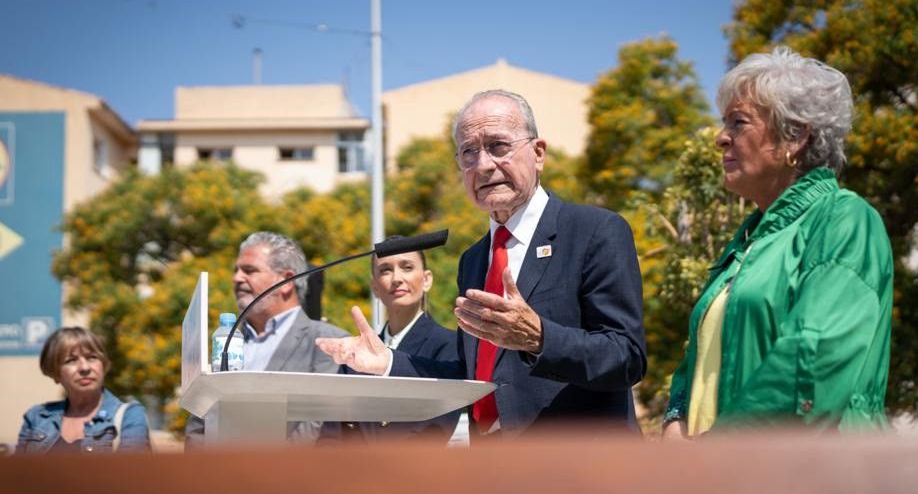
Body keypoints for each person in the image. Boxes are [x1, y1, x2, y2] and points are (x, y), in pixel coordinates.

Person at [317, 89, 647, 439]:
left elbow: (625, 356)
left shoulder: (594, 231)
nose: (484, 165)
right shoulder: (474, 260)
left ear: (538, 154)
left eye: (498, 146)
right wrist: (388, 363)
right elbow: (472, 374)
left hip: (580, 467)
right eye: (469, 153)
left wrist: (539, 338)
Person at [662, 46, 893, 440]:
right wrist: (674, 420)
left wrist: (711, 456)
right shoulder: (748, 240)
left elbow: (814, 359)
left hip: (807, 487)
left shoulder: (843, 219)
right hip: (718, 487)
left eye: (738, 123)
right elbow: (698, 360)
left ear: (796, 135)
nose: (721, 138)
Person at [185, 231, 346, 447]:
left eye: (249, 270)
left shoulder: (329, 342)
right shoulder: (225, 342)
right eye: (236, 270)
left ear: (287, 281)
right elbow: (199, 422)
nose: (237, 278)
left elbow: (319, 426)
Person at [322, 241, 462, 445]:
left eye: (407, 267)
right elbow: (331, 437)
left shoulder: (449, 346)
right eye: (385, 270)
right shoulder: (356, 354)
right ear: (375, 287)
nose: (397, 278)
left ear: (426, 279)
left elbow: (436, 430)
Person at [17, 327, 150, 453]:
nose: (84, 368)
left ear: (103, 365)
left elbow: (129, 473)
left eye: (92, 357)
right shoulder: (37, 417)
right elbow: (18, 473)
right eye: (71, 360)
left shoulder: (129, 415)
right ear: (56, 373)